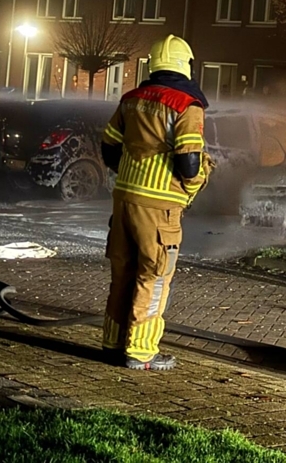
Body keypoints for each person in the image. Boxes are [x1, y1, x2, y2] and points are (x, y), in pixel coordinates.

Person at [99, 34, 213, 370]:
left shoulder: (131, 98)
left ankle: (112, 342)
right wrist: (196, 182)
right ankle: (142, 350)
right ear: (185, 65)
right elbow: (189, 162)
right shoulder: (185, 106)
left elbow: (108, 149)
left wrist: (133, 173)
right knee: (154, 275)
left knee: (122, 272)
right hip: (159, 208)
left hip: (124, 200)